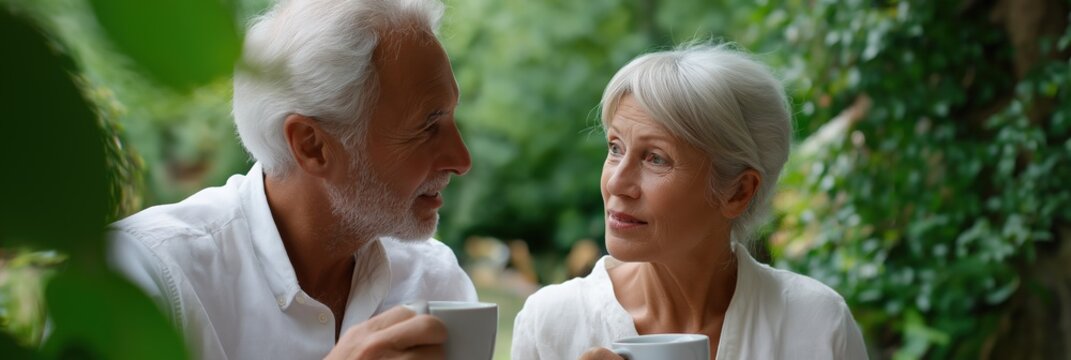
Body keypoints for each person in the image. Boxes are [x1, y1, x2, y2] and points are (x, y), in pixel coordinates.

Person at [108, 0, 476, 358]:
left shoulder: (435, 280)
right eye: (428, 128)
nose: (462, 160)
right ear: (312, 146)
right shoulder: (145, 273)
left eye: (451, 119)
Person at [511, 43, 868, 360]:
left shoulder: (817, 325)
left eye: (656, 158)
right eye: (615, 148)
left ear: (738, 192)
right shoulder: (551, 324)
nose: (616, 183)